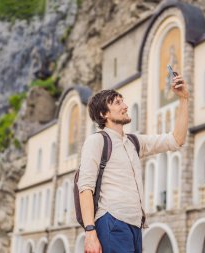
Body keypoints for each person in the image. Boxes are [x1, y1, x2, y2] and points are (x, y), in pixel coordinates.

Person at [77, 74, 189, 253]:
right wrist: (90, 231)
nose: (125, 106)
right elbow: (85, 188)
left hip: (136, 225)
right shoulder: (96, 141)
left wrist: (183, 99)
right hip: (112, 221)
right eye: (117, 103)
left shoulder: (134, 142)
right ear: (103, 114)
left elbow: (177, 140)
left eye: (123, 101)